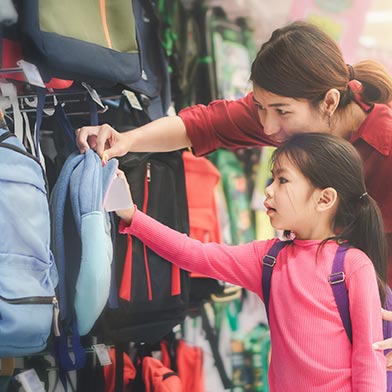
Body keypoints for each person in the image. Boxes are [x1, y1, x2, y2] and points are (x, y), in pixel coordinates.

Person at [75, 20, 392, 288]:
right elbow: (202, 125)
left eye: (281, 111)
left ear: (329, 102)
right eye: (260, 107)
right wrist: (126, 140)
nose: (267, 128)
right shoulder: (286, 116)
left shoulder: (385, 145)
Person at [114, 132, 387, 391]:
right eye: (271, 179)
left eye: (282, 180)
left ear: (324, 199)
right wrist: (132, 216)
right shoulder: (269, 259)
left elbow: (368, 361)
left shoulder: (353, 266)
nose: (268, 191)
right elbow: (194, 254)